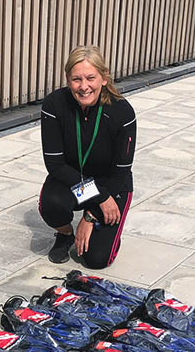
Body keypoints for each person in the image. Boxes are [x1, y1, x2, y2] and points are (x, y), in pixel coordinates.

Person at [39, 46, 136, 269]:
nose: (84, 87)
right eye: (76, 79)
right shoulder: (55, 105)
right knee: (52, 202)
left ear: (103, 78)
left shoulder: (122, 112)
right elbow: (55, 164)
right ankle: (65, 234)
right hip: (74, 180)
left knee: (96, 260)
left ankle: (101, 232)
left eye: (90, 78)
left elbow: (121, 171)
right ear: (67, 79)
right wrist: (98, 199)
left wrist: (91, 215)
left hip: (111, 184)